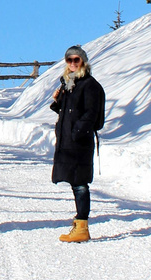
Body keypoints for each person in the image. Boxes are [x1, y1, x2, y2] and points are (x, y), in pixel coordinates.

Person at [50, 44, 105, 243]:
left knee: (80, 184)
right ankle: (80, 224)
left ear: (83, 61)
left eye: (76, 60)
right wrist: (58, 103)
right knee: (75, 183)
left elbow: (90, 113)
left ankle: (82, 225)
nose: (73, 63)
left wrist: (77, 132)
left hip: (79, 142)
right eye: (69, 60)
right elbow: (70, 112)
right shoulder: (69, 84)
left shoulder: (89, 84)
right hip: (69, 141)